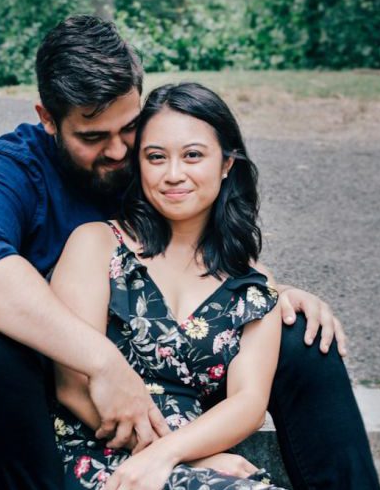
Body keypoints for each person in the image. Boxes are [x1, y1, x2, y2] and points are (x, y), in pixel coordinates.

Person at [0, 15, 380, 490]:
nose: (117, 152)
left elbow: (197, 243)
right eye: (92, 137)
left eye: (129, 129)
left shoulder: (153, 157)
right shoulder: (15, 168)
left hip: (179, 373)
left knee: (303, 334)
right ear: (48, 118)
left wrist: (271, 293)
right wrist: (103, 362)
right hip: (68, 385)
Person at [51, 81, 285, 489]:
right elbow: (72, 387)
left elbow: (248, 403)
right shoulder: (96, 244)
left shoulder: (251, 284)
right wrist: (180, 458)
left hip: (187, 457)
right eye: (156, 157)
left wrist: (176, 454)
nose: (173, 175)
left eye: (193, 155)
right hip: (101, 453)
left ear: (227, 163)